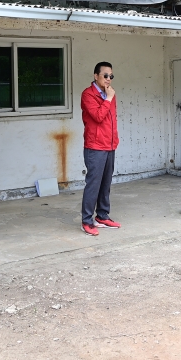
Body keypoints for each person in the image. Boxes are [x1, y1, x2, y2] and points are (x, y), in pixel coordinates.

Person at [80, 61, 121, 236]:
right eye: (105, 75)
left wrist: (114, 140)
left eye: (111, 76)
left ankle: (102, 215)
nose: (108, 79)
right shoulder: (88, 95)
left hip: (110, 144)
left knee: (105, 184)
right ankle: (86, 220)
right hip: (95, 146)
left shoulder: (110, 93)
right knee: (93, 184)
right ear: (96, 76)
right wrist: (108, 98)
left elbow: (111, 119)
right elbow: (98, 117)